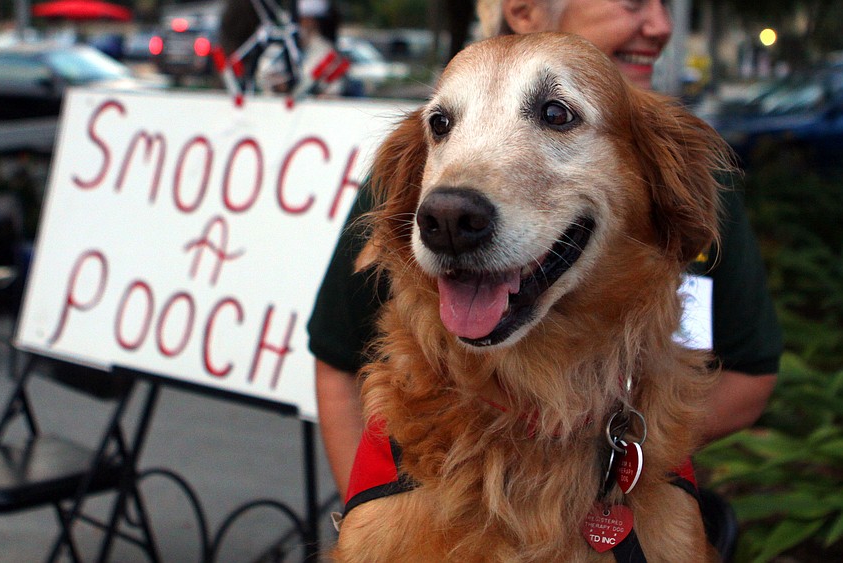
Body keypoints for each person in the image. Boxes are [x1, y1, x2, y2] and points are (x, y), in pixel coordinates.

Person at [308, 0, 783, 501]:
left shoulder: (691, 173)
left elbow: (749, 374)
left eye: (556, 115)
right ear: (524, 11)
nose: (661, 25)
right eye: (633, 1)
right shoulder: (423, 175)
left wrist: (604, 459)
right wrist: (365, 513)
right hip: (432, 478)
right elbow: (337, 362)